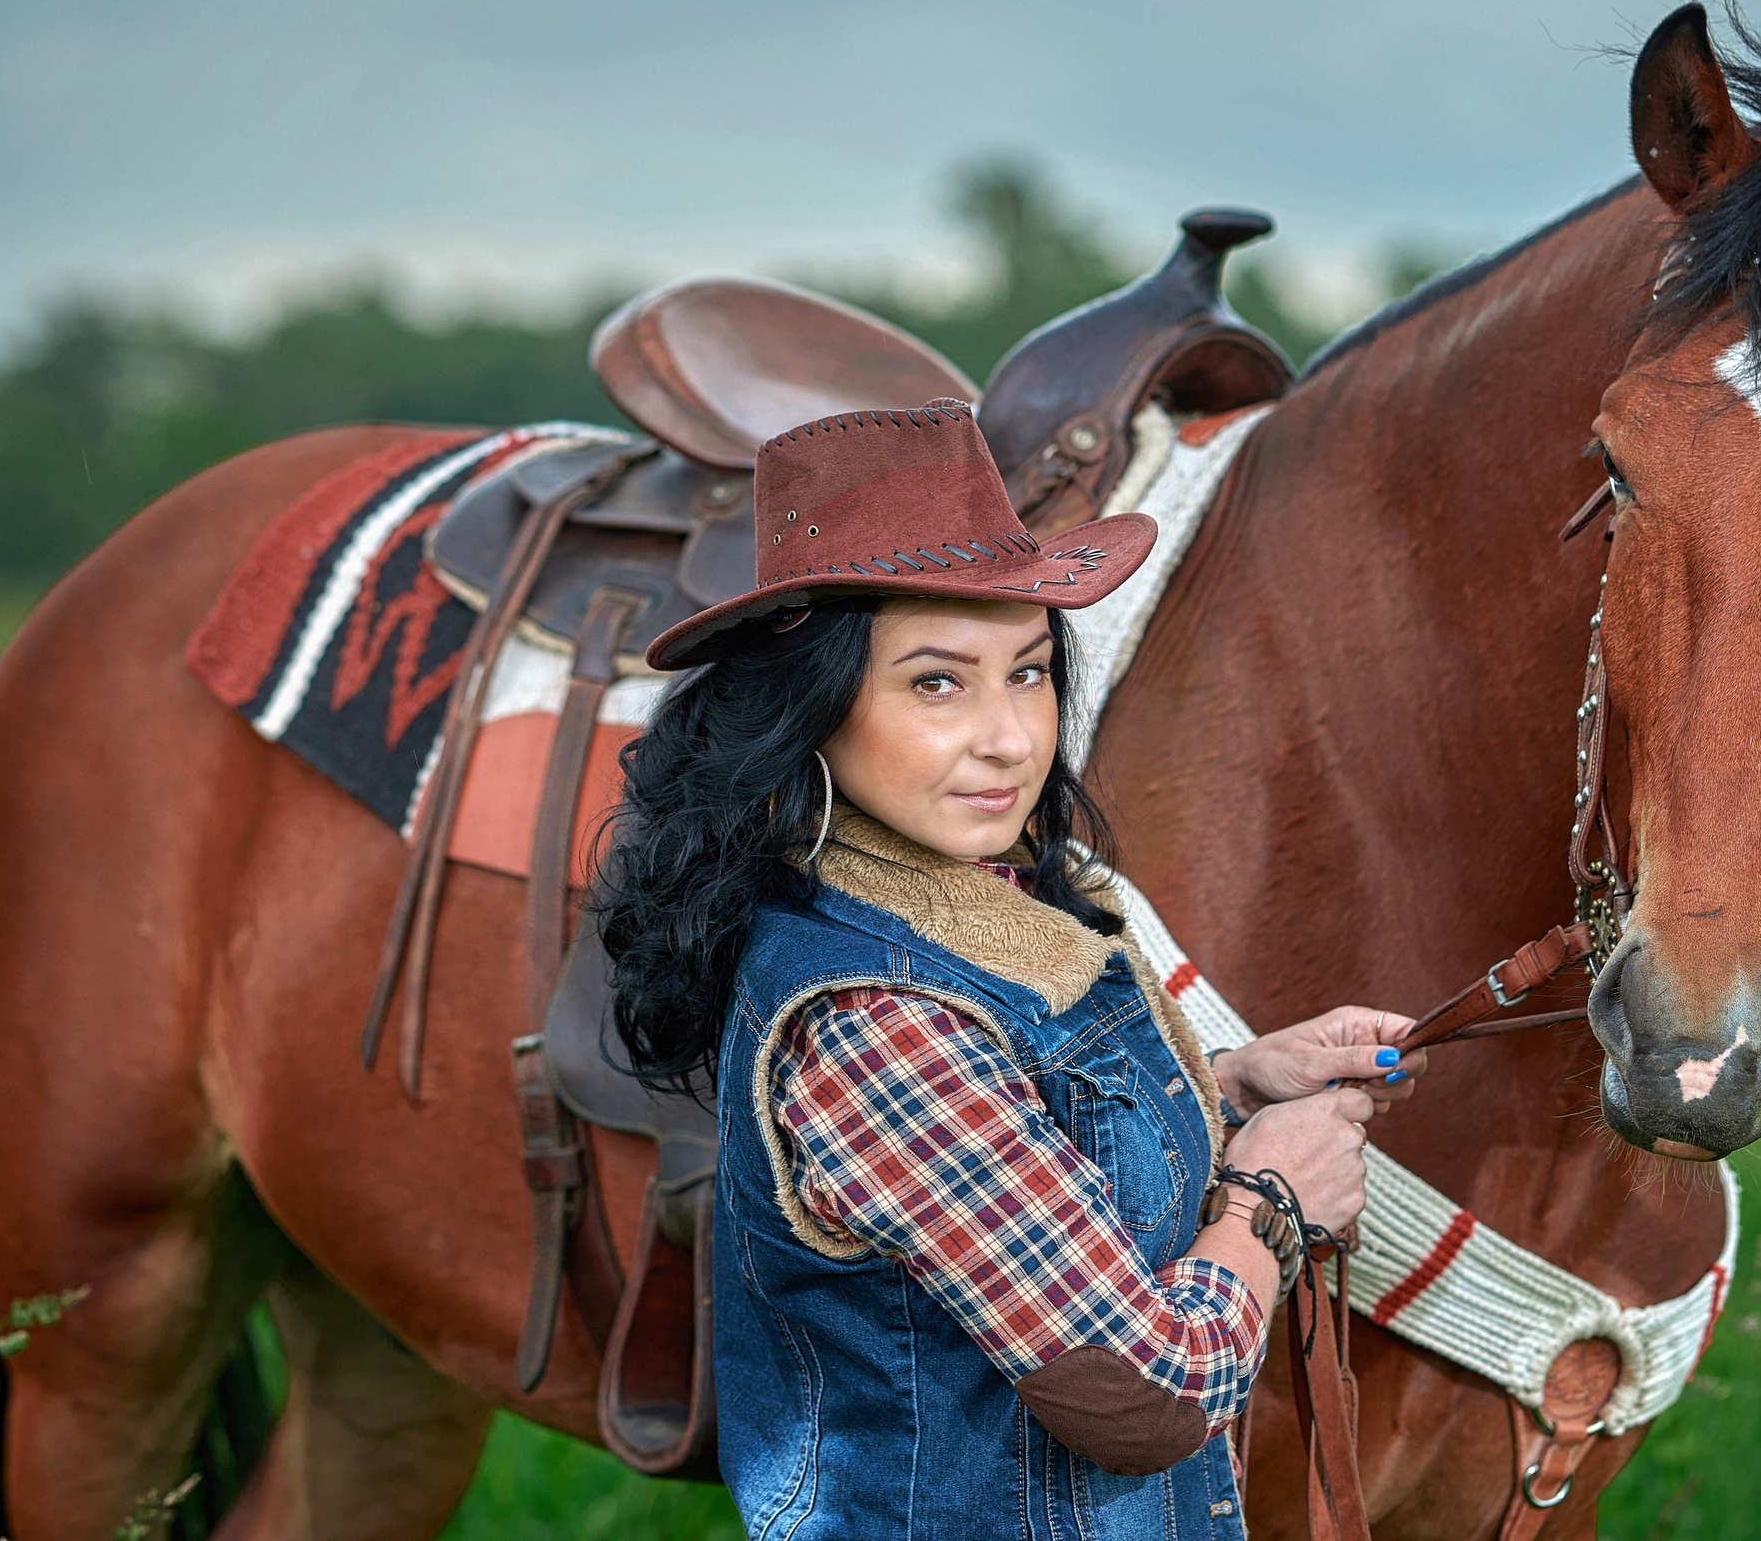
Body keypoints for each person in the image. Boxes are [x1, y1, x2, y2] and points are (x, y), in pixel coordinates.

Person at [600, 402, 1421, 1538]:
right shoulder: (876, 1021)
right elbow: (1147, 1395)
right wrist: (1268, 1200)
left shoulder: (963, 905)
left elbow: (1025, 1132)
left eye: (1027, 673)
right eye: (937, 683)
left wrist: (1229, 1084)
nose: (1011, 739)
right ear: (811, 708)